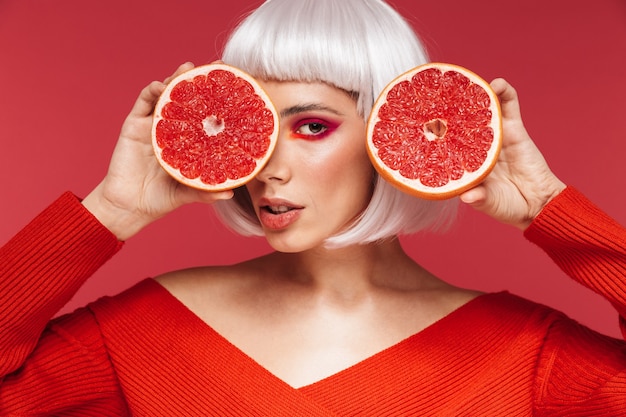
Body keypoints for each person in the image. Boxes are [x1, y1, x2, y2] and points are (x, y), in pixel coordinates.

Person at [1, 0, 625, 415]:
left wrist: (548, 209)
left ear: (394, 131)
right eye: (247, 128)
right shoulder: (140, 332)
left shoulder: (524, 354)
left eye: (312, 127)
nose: (266, 166)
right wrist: (111, 210)